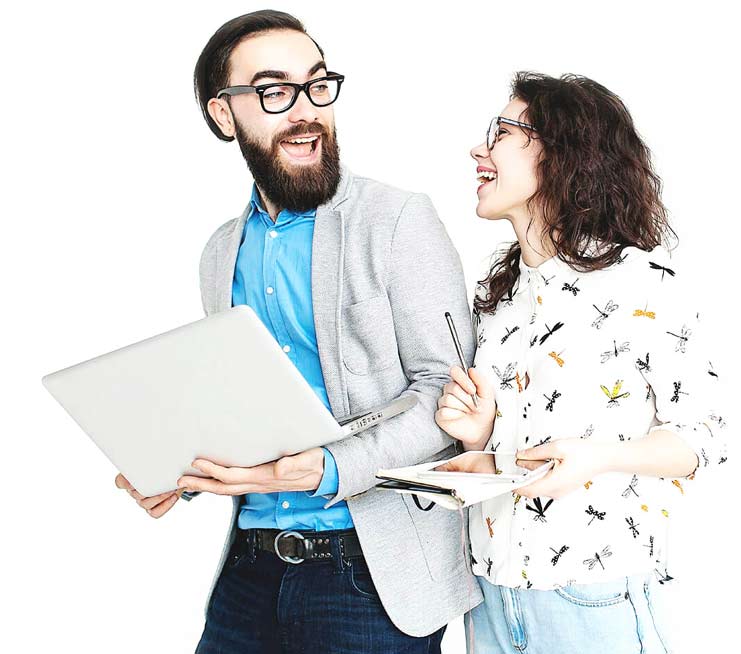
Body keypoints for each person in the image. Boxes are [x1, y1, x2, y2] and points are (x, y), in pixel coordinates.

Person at [114, 10, 482, 654]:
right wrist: (181, 469)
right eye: (273, 90)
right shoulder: (220, 252)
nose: (306, 110)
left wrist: (330, 466)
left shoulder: (398, 220)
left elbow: (448, 403)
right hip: (248, 570)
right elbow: (246, 410)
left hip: (368, 577)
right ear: (224, 116)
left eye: (317, 85)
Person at [435, 72, 727, 654]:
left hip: (591, 601)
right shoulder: (498, 299)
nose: (478, 150)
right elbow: (520, 451)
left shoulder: (644, 283)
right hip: (491, 598)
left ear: (562, 151)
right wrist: (481, 438)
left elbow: (706, 438)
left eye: (500, 133)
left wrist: (598, 458)